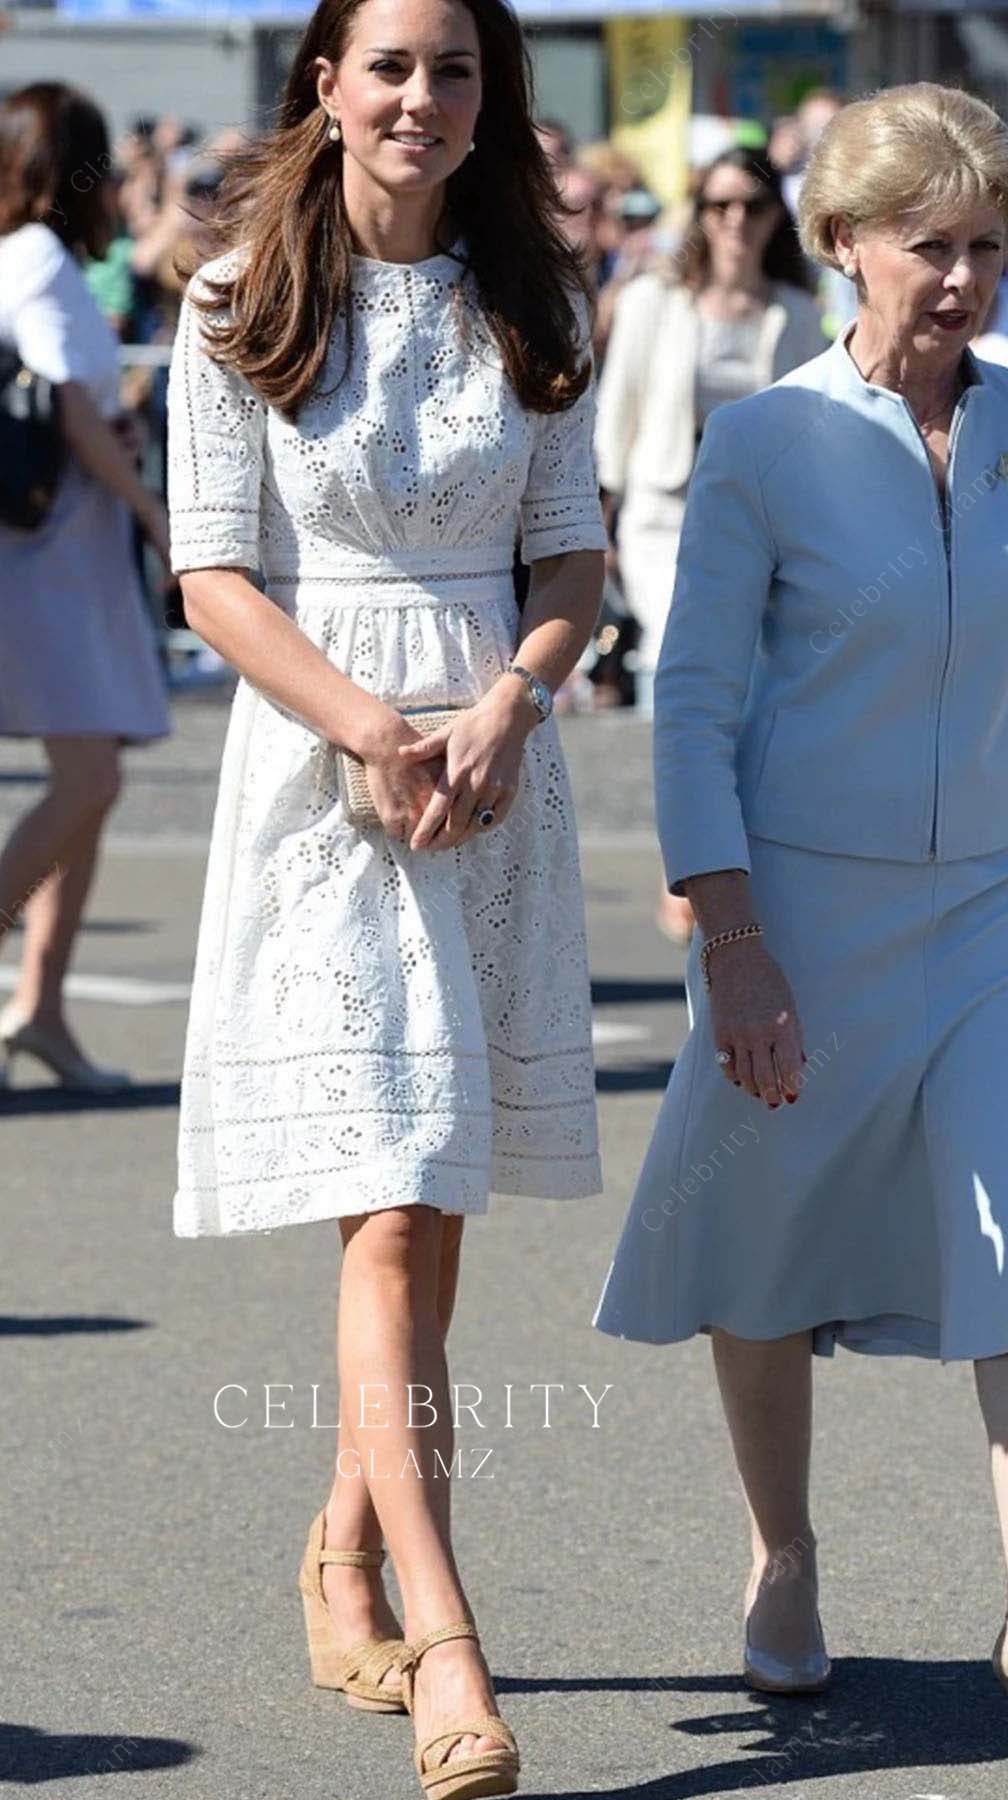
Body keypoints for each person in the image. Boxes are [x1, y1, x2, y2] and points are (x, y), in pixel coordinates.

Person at [166, 0, 607, 1790]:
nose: (423, 98)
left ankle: (343, 1547)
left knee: (431, 1207)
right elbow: (212, 573)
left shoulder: (535, 299)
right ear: (327, 88)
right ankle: (448, 1637)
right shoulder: (236, 302)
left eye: (456, 70)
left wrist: (507, 700)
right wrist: (369, 727)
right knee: (385, 1208)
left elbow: (569, 554)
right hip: (321, 771)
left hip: (495, 771)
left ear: (489, 100)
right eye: (393, 66)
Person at [593, 82, 1008, 1700]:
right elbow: (691, 705)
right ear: (841, 247)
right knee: (757, 1256)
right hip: (801, 919)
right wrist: (736, 939)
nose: (964, 277)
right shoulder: (768, 439)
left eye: (988, 244)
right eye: (929, 246)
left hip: (991, 910)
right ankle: (783, 1548)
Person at [0, 82, 170, 1093]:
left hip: (36, 542)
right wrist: (149, 508)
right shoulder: (42, 262)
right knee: (89, 782)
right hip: (53, 549)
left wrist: (117, 448)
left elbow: (53, 407)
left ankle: (40, 1004)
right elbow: (67, 409)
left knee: (92, 787)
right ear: (80, 169)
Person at [594, 144, 825, 944]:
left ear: (775, 219)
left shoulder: (793, 312)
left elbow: (813, 430)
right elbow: (616, 407)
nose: (735, 221)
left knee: (749, 684)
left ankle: (720, 860)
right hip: (661, 510)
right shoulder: (657, 301)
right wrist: (600, 510)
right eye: (719, 205)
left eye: (753, 206)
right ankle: (689, 867)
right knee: (680, 666)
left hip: (759, 521)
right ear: (700, 214)